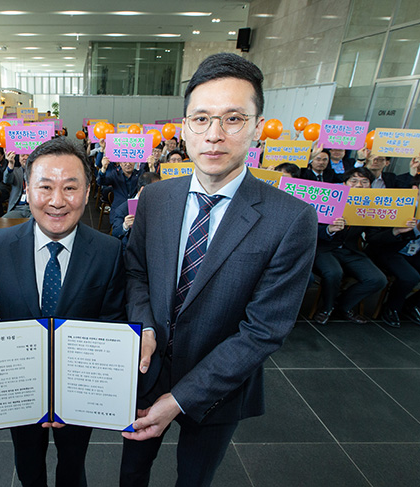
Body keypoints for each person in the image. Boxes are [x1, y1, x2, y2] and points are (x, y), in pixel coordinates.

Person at [120, 52, 318, 486]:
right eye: (202, 119)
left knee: (194, 479)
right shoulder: (156, 198)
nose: (214, 135)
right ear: (184, 126)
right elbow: (136, 273)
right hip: (146, 372)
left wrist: (182, 398)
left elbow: (263, 330)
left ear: (258, 128)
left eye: (232, 119)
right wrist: (144, 327)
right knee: (131, 474)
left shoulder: (290, 219)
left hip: (219, 388)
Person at [0, 137, 126, 487]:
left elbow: (112, 322)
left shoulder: (108, 251)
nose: (57, 201)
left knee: (73, 463)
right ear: (27, 189)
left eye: (70, 188)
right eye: (45, 187)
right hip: (19, 385)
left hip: (78, 389)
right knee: (27, 462)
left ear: (88, 191)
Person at [312, 167, 388, 325]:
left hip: (351, 250)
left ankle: (343, 305)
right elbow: (309, 227)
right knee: (333, 272)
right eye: (354, 181)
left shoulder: (370, 205)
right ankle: (326, 308)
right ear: (345, 183)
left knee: (378, 279)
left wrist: (396, 231)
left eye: (364, 182)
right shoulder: (328, 198)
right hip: (325, 249)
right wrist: (329, 229)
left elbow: (374, 237)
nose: (359, 185)